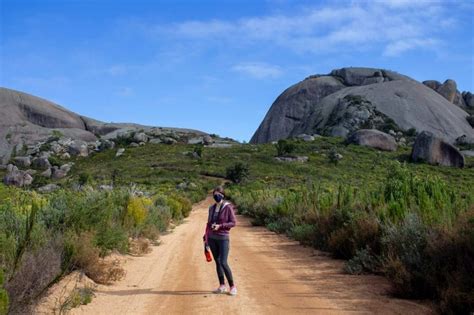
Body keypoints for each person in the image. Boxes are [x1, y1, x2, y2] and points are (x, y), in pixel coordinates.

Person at [203, 186, 237, 296]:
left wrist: (221, 226)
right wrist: (206, 237)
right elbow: (208, 224)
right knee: (217, 262)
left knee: (223, 262)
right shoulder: (211, 208)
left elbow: (233, 222)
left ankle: (232, 286)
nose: (216, 196)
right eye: (214, 194)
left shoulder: (228, 207)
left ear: (222, 195)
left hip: (223, 238)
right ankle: (222, 285)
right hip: (212, 238)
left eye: (218, 194)